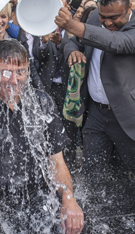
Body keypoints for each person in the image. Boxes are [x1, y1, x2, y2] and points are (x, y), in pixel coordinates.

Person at [0, 39, 84, 234]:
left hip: (37, 196)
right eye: (6, 72)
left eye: (20, 72)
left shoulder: (42, 103)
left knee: (71, 223)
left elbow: (57, 164)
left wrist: (69, 198)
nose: (14, 81)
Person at [56, 0, 135, 186]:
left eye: (114, 17)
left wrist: (72, 24)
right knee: (93, 172)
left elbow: (114, 42)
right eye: (103, 16)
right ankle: (99, 215)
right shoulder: (96, 18)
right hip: (95, 113)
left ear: (129, 8)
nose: (106, 22)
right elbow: (72, 42)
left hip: (126, 114)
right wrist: (72, 51)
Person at [33, 12, 79, 172]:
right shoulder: (44, 29)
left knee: (68, 126)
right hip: (48, 87)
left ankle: (69, 164)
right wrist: (45, 42)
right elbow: (37, 56)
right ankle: (48, 165)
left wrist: (61, 44)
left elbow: (77, 54)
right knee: (48, 124)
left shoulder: (74, 32)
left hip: (68, 88)